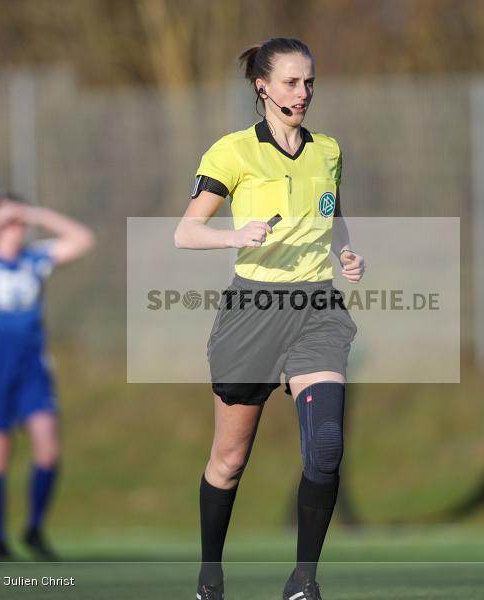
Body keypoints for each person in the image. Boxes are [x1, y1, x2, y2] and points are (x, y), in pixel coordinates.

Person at [174, 38, 365, 600]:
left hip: (317, 310)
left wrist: (344, 252)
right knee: (230, 460)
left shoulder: (327, 150)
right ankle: (211, 572)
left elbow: (333, 214)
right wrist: (237, 234)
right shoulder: (231, 153)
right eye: (289, 82)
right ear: (262, 87)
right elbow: (185, 233)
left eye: (309, 82)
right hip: (253, 313)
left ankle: (303, 582)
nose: (302, 93)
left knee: (326, 447)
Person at [0, 189, 95, 561]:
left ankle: (34, 528)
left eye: (18, 221)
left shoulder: (33, 259)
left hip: (32, 365)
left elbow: (82, 240)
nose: (15, 227)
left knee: (48, 450)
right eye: (8, 221)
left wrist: (36, 213)